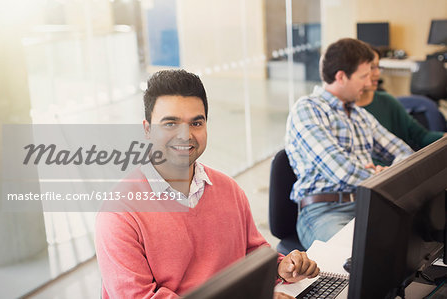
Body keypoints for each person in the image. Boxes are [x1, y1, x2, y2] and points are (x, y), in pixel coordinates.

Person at [95, 69, 319, 299]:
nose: (185, 135)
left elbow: (253, 254)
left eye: (196, 123)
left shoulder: (229, 189)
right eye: (170, 123)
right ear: (147, 130)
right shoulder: (119, 213)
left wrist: (282, 267)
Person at [285, 38, 414, 249]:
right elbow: (342, 171)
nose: (368, 82)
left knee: (412, 244)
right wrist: (381, 176)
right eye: (363, 76)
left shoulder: (359, 115)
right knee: (359, 259)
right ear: (341, 76)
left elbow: (404, 153)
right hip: (325, 211)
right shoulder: (308, 109)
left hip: (368, 203)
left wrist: (385, 172)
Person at [356, 47, 446, 157]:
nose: (377, 73)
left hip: (397, 166)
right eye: (371, 68)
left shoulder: (386, 101)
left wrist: (444, 137)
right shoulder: (347, 112)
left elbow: (421, 136)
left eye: (378, 67)